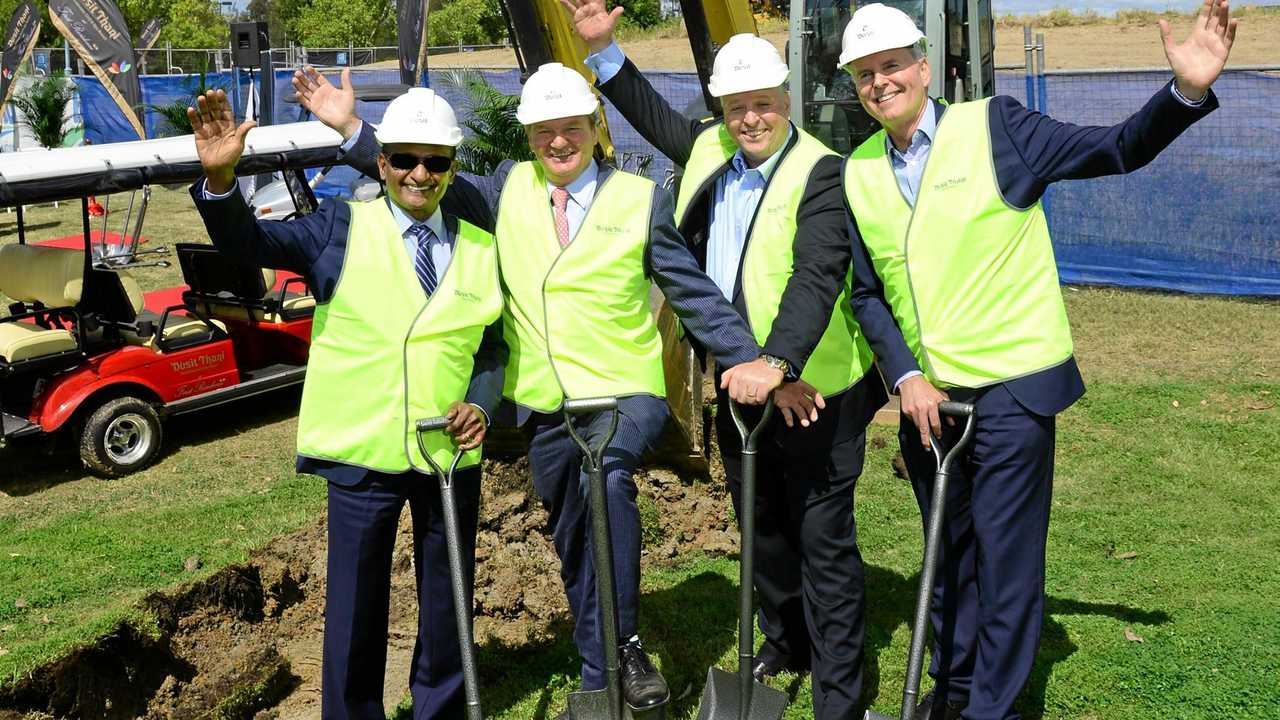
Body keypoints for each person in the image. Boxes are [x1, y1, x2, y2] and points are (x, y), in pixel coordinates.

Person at [775, 2, 1233, 718]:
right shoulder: (856, 170)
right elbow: (866, 294)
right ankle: (955, 689)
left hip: (1012, 392)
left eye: (892, 64)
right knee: (947, 555)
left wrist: (1186, 93)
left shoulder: (996, 128)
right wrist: (907, 376)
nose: (880, 81)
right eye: (865, 73)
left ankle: (992, 708)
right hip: (929, 402)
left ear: (923, 66)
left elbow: (1113, 148)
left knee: (1004, 561)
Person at [291, 62, 777, 713]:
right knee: (574, 530)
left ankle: (627, 643)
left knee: (604, 476)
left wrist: (750, 358)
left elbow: (690, 291)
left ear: (594, 128)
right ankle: (598, 667)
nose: (557, 142)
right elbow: (420, 177)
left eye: (570, 127)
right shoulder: (505, 190)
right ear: (527, 135)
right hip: (547, 404)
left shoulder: (639, 198)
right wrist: (353, 128)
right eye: (543, 130)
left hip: (622, 392)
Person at [562, 3, 936, 717]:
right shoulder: (710, 148)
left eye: (762, 105)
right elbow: (650, 113)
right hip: (741, 385)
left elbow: (817, 276)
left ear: (785, 101)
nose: (751, 120)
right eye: (737, 108)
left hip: (817, 387)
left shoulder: (822, 173)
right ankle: (784, 637)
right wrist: (605, 51)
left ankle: (839, 693)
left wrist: (779, 365)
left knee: (823, 543)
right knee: (761, 529)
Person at [187, 87, 506, 719]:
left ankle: (438, 710)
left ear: (451, 168)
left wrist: (482, 405)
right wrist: (221, 180)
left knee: (447, 601)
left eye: (436, 162)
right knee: (357, 609)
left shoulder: (480, 246)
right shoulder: (338, 226)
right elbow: (251, 246)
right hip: (364, 456)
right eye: (406, 159)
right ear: (382, 163)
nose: (421, 174)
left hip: (448, 454)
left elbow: (493, 349)